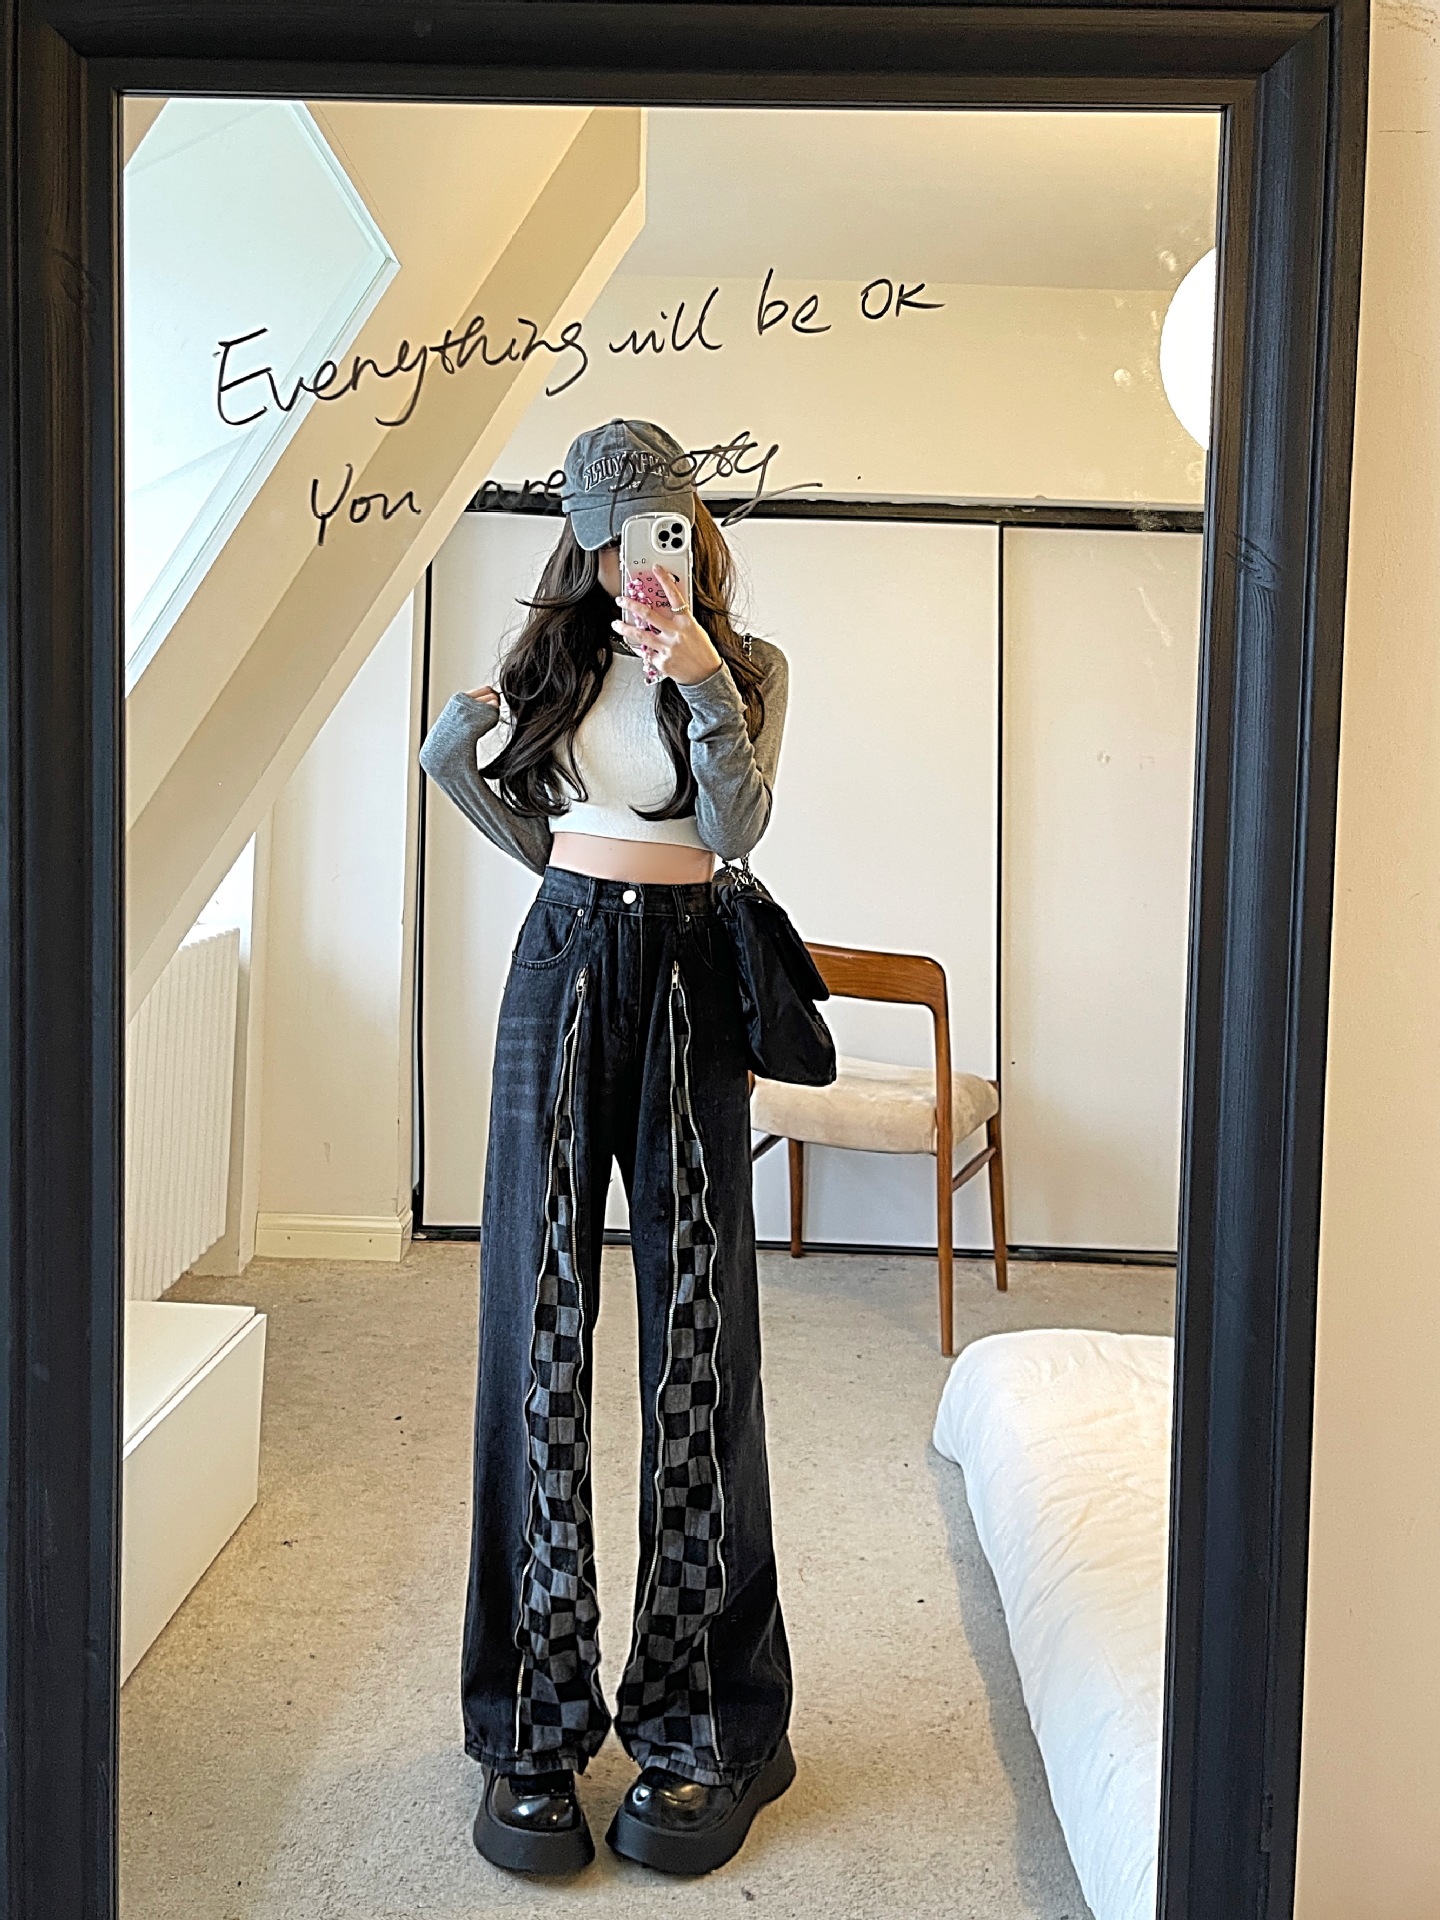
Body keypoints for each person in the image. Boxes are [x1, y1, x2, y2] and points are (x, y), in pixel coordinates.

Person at [418, 419, 794, 1879]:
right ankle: (530, 1722)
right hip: (565, 960)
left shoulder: (747, 667)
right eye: (613, 532)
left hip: (696, 968)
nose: (640, 555)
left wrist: (696, 674)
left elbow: (736, 825)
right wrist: (454, 760)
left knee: (701, 1338)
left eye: (663, 526)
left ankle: (709, 1727)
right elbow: (534, 830)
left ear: (694, 528)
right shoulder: (552, 665)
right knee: (535, 1330)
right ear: (580, 540)